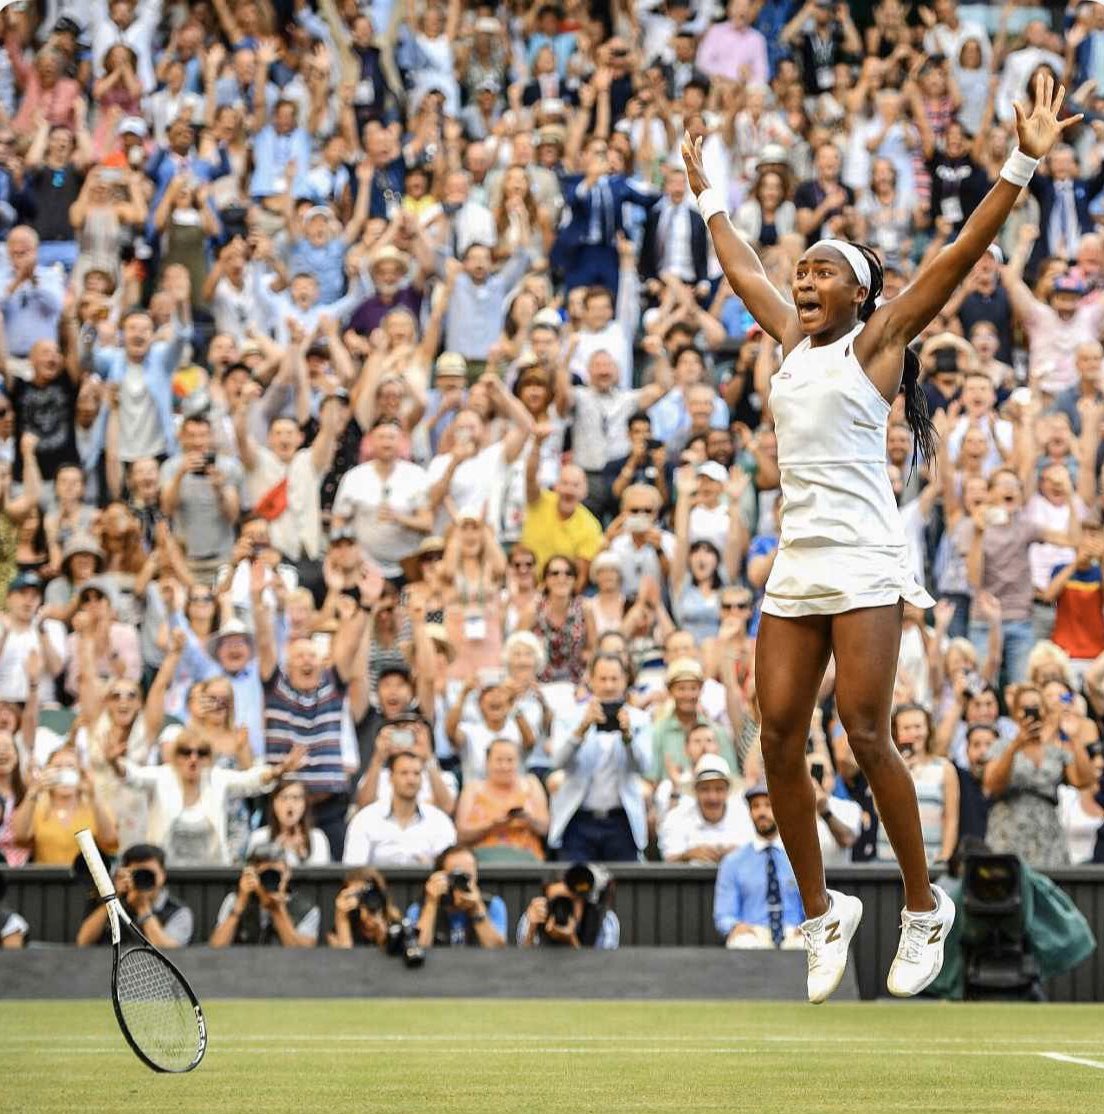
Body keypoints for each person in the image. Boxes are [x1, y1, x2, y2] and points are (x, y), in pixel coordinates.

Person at [681, 74, 1078, 1002]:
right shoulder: (788, 338)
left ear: (861, 297)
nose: (803, 280)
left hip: (864, 558)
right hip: (798, 562)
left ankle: (920, 903)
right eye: (803, 271)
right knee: (776, 736)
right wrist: (706, 192)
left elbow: (958, 253)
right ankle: (825, 916)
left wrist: (1021, 158)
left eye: (822, 272)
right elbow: (741, 265)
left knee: (862, 729)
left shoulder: (880, 342)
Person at [546, 652, 653, 861]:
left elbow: (644, 766)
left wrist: (628, 737)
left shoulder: (640, 719)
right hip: (579, 820)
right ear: (591, 680)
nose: (609, 686)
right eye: (603, 679)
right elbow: (557, 762)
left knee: (624, 889)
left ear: (625, 681)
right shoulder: (568, 716)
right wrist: (581, 729)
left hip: (621, 821)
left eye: (614, 679)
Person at [713, 783, 805, 950]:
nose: (762, 812)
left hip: (793, 931)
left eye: (769, 805)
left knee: (809, 946)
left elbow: (814, 905)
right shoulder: (733, 862)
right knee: (743, 943)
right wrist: (735, 926)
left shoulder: (800, 859)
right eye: (755, 806)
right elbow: (723, 915)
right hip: (753, 932)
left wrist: (807, 927)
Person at [343, 750, 456, 867]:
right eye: (404, 773)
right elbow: (354, 870)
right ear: (390, 777)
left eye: (416, 773)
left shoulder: (439, 820)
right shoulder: (365, 819)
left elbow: (448, 868)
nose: (411, 780)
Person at [75, 843, 194, 949]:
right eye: (138, 874)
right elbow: (83, 942)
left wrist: (142, 908)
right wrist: (112, 898)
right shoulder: (106, 902)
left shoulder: (179, 912)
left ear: (163, 875)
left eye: (150, 874)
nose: (144, 879)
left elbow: (169, 953)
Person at [209, 843, 320, 948]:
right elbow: (216, 948)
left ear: (287, 873)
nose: (270, 879)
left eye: (275, 874)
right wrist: (239, 906)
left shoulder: (306, 909)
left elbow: (303, 956)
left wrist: (277, 910)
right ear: (254, 874)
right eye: (264, 875)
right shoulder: (234, 901)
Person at [659, 755, 754, 864]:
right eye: (705, 789)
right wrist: (687, 855)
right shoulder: (676, 818)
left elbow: (759, 854)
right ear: (696, 791)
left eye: (719, 789)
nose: (712, 797)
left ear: (728, 791)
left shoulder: (744, 817)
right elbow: (668, 860)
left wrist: (739, 854)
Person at [411, 845, 507, 949]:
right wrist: (431, 903)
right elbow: (416, 950)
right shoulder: (419, 909)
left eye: (468, 876)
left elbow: (498, 953)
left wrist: (477, 908)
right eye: (456, 876)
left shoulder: (493, 905)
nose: (463, 882)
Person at [517, 862, 620, 949]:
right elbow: (521, 967)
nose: (562, 908)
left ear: (583, 901)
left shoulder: (605, 921)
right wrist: (531, 931)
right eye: (557, 901)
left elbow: (603, 969)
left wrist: (572, 940)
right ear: (545, 900)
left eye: (570, 901)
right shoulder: (534, 916)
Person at [327, 867, 400, 950]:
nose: (361, 901)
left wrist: (381, 934)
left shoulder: (394, 923)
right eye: (356, 895)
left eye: (366, 895)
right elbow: (345, 957)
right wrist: (341, 917)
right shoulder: (340, 928)